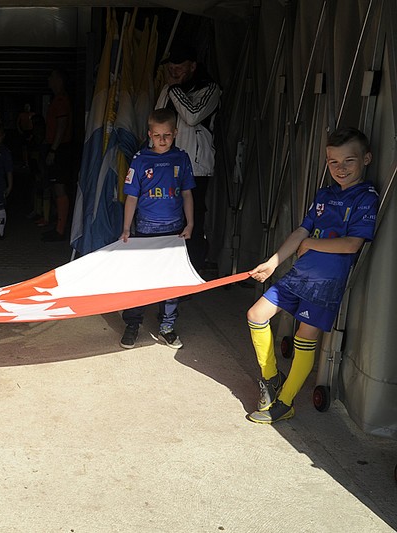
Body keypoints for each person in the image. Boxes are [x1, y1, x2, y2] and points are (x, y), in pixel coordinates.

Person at [245, 127, 378, 424]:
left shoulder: (366, 198)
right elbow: (300, 231)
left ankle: (286, 403)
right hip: (298, 275)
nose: (340, 169)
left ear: (366, 159)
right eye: (333, 162)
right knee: (256, 314)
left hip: (325, 284)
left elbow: (352, 244)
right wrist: (272, 262)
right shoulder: (324, 194)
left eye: (349, 161)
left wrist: (308, 244)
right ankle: (271, 377)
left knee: (306, 338)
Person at [119, 108, 195, 350]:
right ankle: (132, 323)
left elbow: (186, 193)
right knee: (141, 279)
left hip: (174, 230)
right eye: (157, 135)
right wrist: (126, 228)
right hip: (145, 230)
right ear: (149, 134)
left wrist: (190, 223)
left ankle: (167, 326)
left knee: (171, 280)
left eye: (168, 135)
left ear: (175, 133)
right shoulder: (140, 160)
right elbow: (131, 198)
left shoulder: (181, 159)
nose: (162, 140)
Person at [156, 42, 220, 271]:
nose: (174, 73)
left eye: (179, 68)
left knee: (191, 221)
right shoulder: (168, 89)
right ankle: (169, 269)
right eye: (171, 68)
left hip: (195, 167)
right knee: (166, 218)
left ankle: (191, 269)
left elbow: (192, 116)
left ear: (193, 66)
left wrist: (174, 90)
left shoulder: (210, 89)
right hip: (166, 164)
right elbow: (158, 120)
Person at [41, 68, 74, 242]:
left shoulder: (61, 100)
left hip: (60, 148)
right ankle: (58, 226)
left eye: (52, 76)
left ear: (59, 80)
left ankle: (60, 230)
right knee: (56, 186)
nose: (49, 79)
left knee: (59, 187)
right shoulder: (58, 100)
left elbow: (61, 125)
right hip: (58, 147)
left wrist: (53, 149)